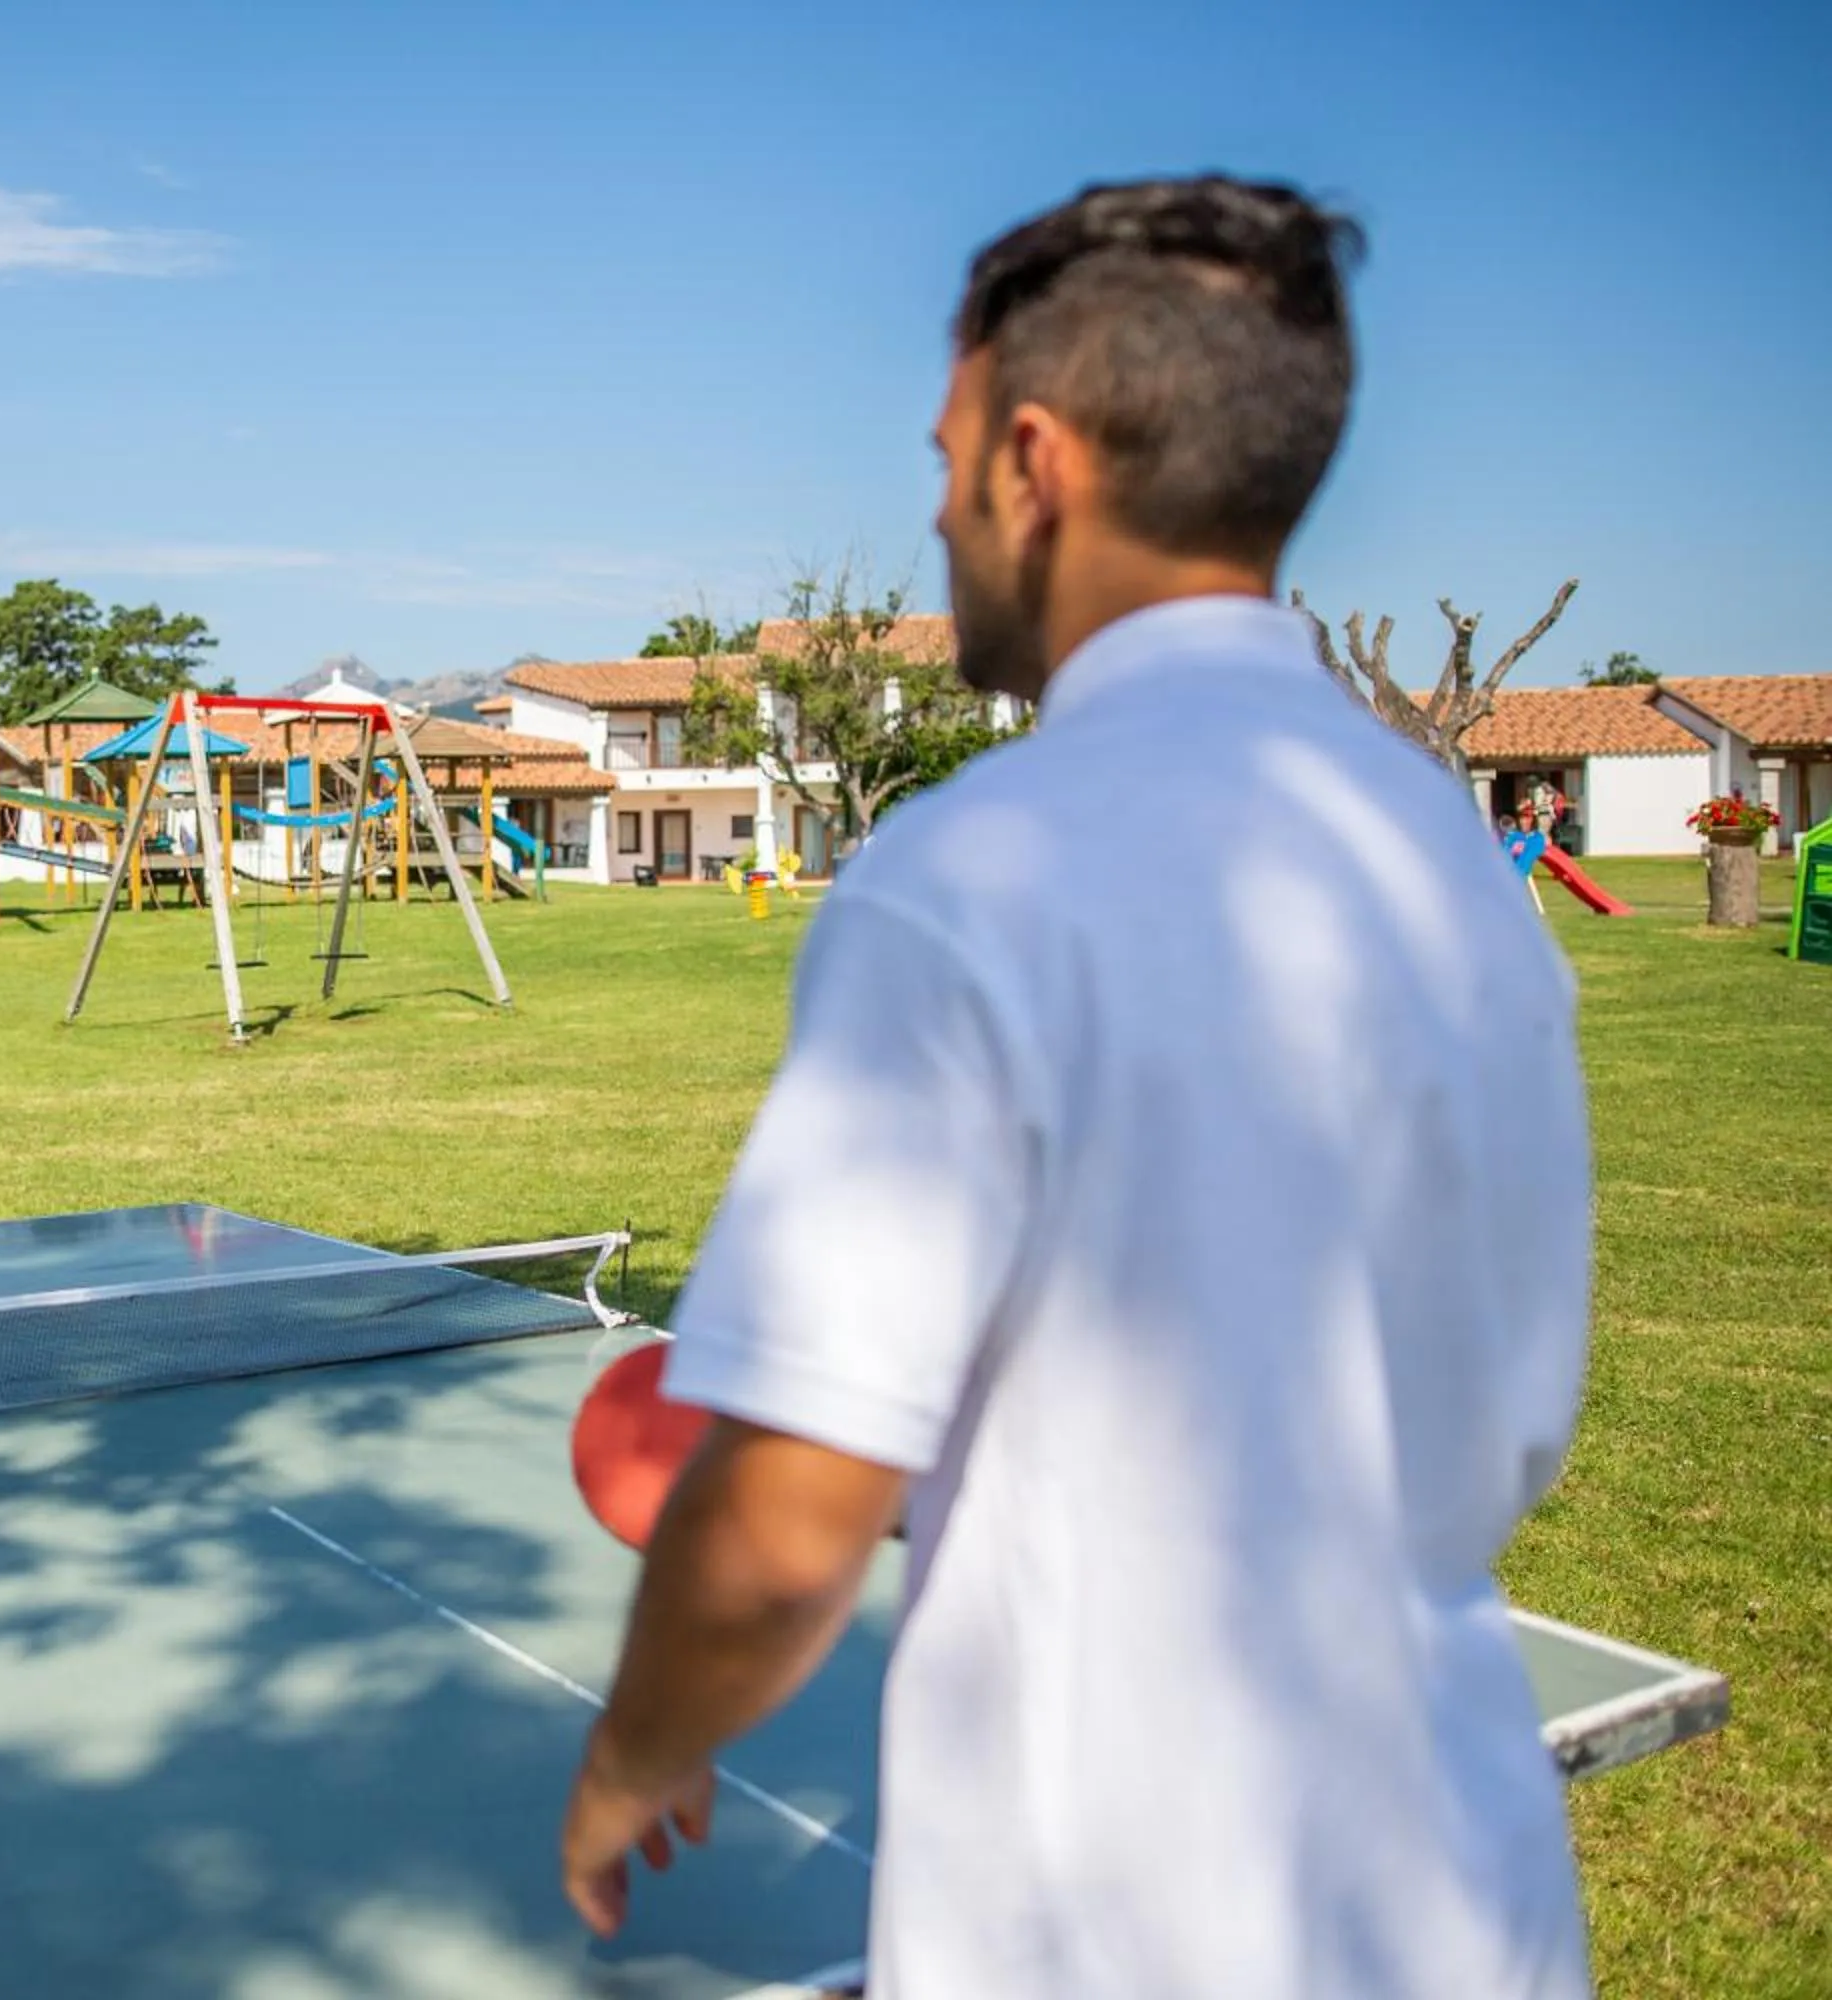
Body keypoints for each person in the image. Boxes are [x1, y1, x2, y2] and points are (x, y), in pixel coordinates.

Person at [560, 177, 1595, 1997]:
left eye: (948, 453)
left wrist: (637, 1740)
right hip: (1468, 1901)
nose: (939, 507)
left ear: (1032, 463)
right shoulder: (1444, 861)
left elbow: (787, 1512)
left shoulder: (971, 879)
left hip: (1125, 1923)